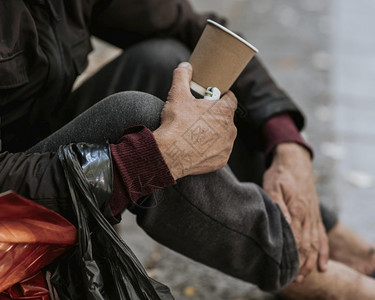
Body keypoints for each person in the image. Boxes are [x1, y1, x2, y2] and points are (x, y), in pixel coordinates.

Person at [1, 0, 375, 299]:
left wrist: (287, 142)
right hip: (8, 222)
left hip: (30, 157)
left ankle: (322, 233)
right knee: (139, 117)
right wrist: (144, 161)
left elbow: (194, 30)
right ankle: (303, 266)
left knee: (168, 61)